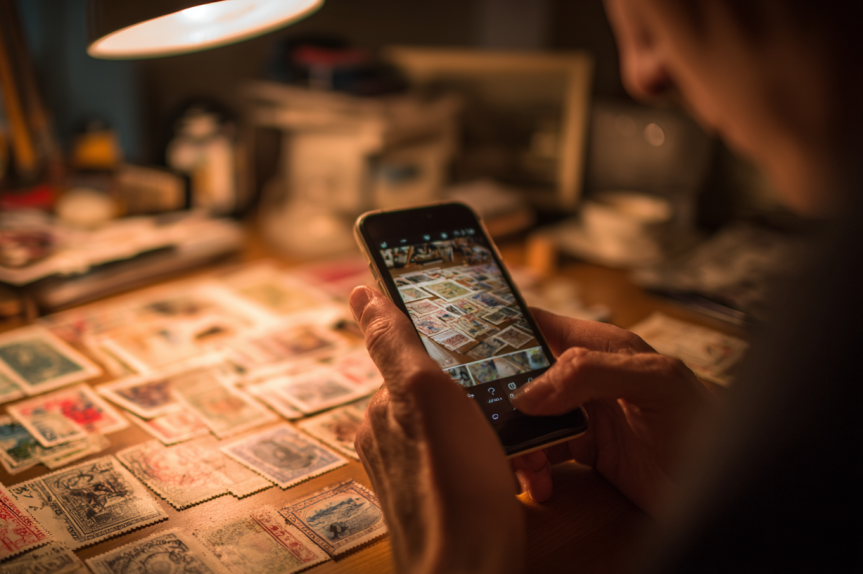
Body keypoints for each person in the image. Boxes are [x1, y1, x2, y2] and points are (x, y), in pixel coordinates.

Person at [349, 0, 862, 572]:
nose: (642, 76)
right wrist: (700, 483)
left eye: (662, 20)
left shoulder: (831, 333)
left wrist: (454, 552)